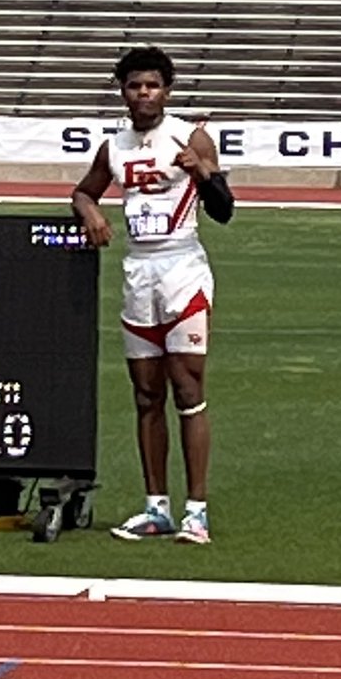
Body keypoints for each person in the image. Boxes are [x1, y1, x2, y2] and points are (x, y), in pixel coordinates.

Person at [71, 46, 234, 545]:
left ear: (167, 89)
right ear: (122, 91)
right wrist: (90, 212)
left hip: (182, 269)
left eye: (153, 85)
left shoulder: (190, 134)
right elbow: (84, 191)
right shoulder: (114, 146)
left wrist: (200, 171)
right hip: (138, 273)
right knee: (146, 395)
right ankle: (156, 507)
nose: (144, 94)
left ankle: (197, 511)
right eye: (135, 85)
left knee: (188, 389)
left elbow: (225, 210)